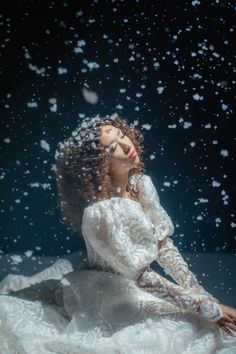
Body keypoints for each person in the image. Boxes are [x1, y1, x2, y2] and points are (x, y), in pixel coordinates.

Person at [0, 114, 236, 354]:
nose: (126, 145)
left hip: (140, 284)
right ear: (98, 163)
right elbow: (140, 276)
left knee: (200, 321)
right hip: (107, 291)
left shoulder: (141, 185)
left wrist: (198, 291)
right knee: (178, 329)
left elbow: (163, 244)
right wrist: (204, 308)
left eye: (123, 135)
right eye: (113, 147)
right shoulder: (100, 213)